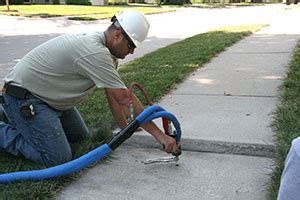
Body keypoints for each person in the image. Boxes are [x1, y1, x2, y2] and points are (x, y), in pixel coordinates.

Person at [0, 10, 177, 167]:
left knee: (80, 136)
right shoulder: (96, 52)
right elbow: (124, 98)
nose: (132, 52)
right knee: (57, 158)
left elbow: (114, 96)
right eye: (131, 45)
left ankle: (12, 115)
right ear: (118, 35)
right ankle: (6, 121)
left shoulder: (108, 55)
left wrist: (126, 130)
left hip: (49, 99)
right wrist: (161, 137)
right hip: (24, 96)